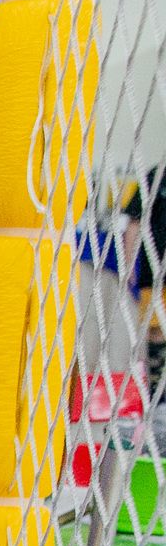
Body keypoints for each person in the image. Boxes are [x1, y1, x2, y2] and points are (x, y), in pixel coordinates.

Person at [120, 165, 165, 387]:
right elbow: (134, 224)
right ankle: (154, 391)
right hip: (154, 272)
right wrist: (130, 265)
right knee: (155, 331)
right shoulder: (156, 175)